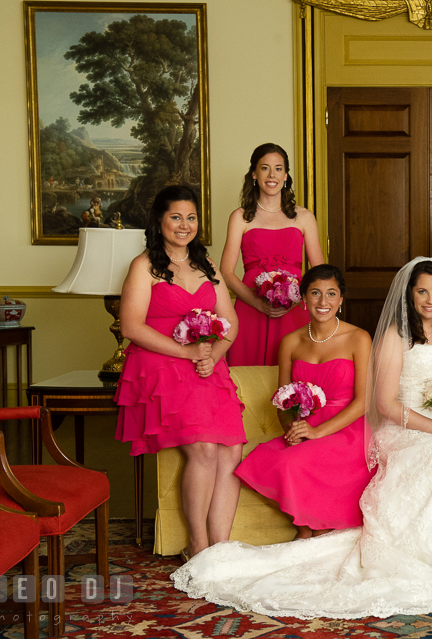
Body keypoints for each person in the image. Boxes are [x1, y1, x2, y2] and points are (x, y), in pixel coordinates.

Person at [172, 257, 432, 619]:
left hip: (391, 423)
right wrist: (293, 421)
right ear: (303, 298)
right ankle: (303, 528)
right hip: (388, 423)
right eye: (421, 291)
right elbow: (313, 398)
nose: (430, 298)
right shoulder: (377, 337)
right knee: (277, 460)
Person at [115, 185, 246, 563]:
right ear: (159, 221)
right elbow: (131, 326)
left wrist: (213, 353)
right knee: (204, 448)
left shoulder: (207, 265)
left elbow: (231, 322)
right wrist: (188, 352)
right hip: (160, 361)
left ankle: (219, 549)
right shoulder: (145, 266)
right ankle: (198, 546)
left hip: (206, 362)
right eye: (176, 217)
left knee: (232, 448)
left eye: (191, 217)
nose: (184, 225)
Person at [234, 264, 375, 537]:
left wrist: (317, 431)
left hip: (348, 430)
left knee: (293, 463)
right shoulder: (290, 342)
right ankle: (309, 532)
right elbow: (282, 400)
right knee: (271, 458)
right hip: (305, 427)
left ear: (341, 299)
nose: (324, 302)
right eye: (315, 293)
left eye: (331, 294)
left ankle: (310, 532)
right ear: (303, 298)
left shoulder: (358, 337)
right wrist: (291, 430)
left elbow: (364, 402)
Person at [222, 143, 325, 366]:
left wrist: (297, 298)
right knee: (249, 376)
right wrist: (257, 303)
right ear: (254, 174)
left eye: (278, 168)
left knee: (296, 376)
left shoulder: (304, 217)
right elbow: (226, 272)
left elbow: (320, 273)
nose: (272, 175)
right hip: (251, 309)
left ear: (286, 175)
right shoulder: (240, 217)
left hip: (295, 310)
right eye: (265, 168)